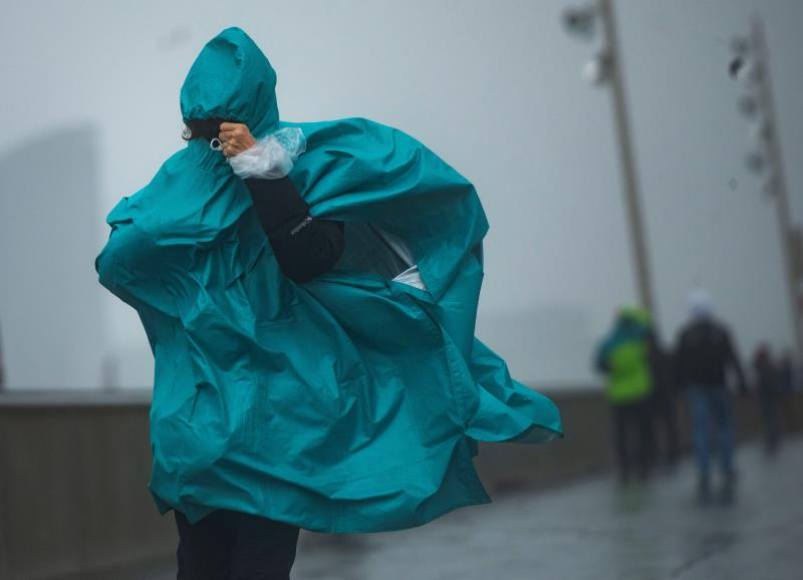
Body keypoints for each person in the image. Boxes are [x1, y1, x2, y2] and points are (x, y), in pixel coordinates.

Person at [96, 28, 562, 579]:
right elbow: (309, 256)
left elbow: (117, 264)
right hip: (269, 430)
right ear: (259, 99)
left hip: (195, 428)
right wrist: (263, 177)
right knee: (255, 566)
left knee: (199, 565)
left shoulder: (167, 196)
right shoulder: (298, 170)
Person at [674, 289, 747, 504]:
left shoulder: (685, 334)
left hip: (695, 388)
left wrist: (677, 386)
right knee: (724, 425)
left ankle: (704, 469)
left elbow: (677, 364)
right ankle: (726, 465)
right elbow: (733, 357)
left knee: (700, 428)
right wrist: (742, 381)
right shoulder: (721, 331)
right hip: (718, 384)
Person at [595, 307, 657, 483]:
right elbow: (648, 322)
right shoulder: (639, 339)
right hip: (640, 391)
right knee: (641, 430)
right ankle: (643, 466)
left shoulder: (608, 343)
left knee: (621, 434)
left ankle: (625, 469)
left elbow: (600, 366)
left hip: (618, 394)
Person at [752, 343, 781, 455]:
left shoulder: (763, 367)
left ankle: (771, 441)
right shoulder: (768, 366)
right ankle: (773, 440)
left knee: (769, 419)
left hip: (765, 396)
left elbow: (764, 383)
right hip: (769, 396)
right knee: (771, 418)